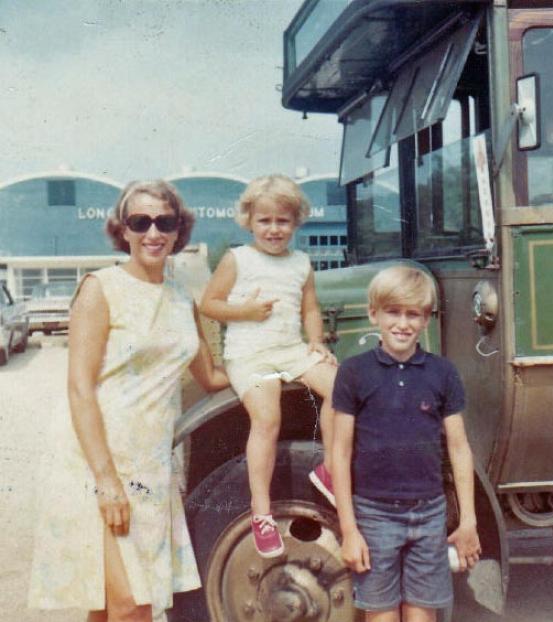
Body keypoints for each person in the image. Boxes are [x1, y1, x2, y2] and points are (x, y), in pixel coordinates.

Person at [28, 180, 228, 622]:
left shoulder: (182, 298)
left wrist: (282, 365)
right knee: (130, 607)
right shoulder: (100, 288)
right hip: (95, 462)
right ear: (123, 230)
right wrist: (105, 480)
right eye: (140, 222)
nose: (153, 233)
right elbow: (79, 388)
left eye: (164, 222)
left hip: (150, 468)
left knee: (110, 609)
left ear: (179, 230)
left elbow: (212, 377)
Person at [331, 265, 481, 622]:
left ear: (425, 320)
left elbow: (459, 449)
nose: (402, 323)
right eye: (393, 312)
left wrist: (468, 522)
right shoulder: (353, 372)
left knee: (422, 615)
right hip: (374, 515)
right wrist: (349, 530)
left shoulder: (443, 373)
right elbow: (340, 452)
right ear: (374, 314)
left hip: (429, 514)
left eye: (413, 314)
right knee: (381, 615)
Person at [200, 174, 337, 558]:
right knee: (267, 418)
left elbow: (310, 309)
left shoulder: (301, 263)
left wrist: (316, 341)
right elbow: (209, 304)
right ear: (249, 221)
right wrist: (244, 311)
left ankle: (329, 471)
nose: (274, 229)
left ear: (296, 222)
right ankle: (261, 512)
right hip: (251, 354)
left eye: (282, 221)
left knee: (345, 389)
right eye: (265, 220)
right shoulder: (238, 259)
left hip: (291, 350)